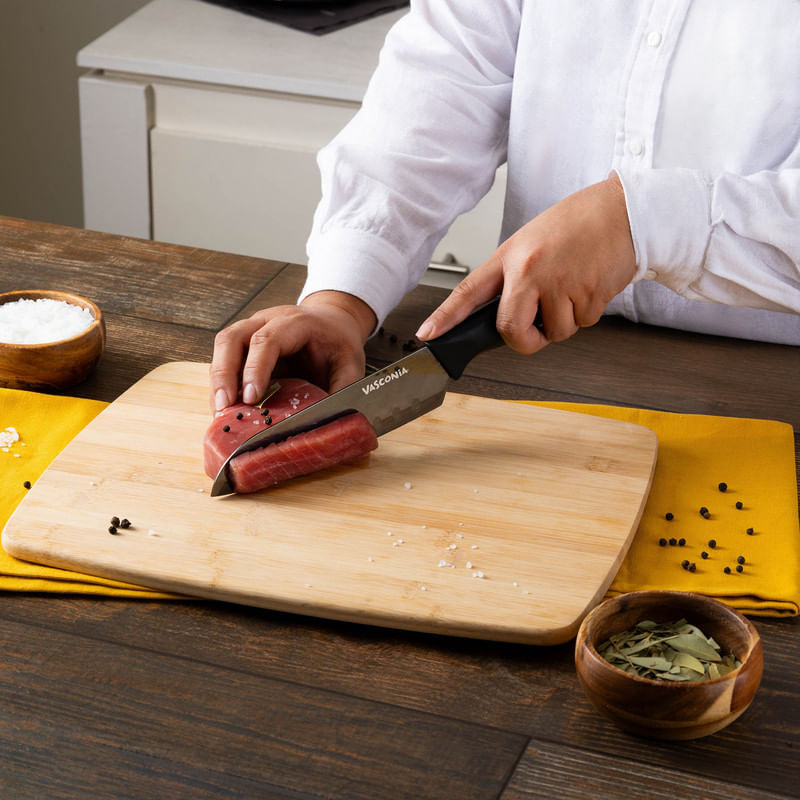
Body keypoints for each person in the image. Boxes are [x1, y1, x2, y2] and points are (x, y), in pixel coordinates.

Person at [210, 0, 800, 413]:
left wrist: (646, 221)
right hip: (546, 364)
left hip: (773, 386)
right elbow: (438, 91)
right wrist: (343, 299)